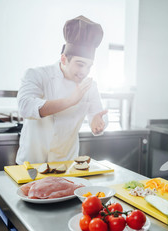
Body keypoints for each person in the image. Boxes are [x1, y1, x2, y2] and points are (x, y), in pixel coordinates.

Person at [16, 16, 108, 165]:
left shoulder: (90, 85)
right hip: (32, 165)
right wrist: (70, 101)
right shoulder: (37, 75)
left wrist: (98, 125)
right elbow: (25, 107)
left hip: (67, 165)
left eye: (89, 66)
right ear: (64, 59)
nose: (84, 72)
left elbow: (96, 117)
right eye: (80, 64)